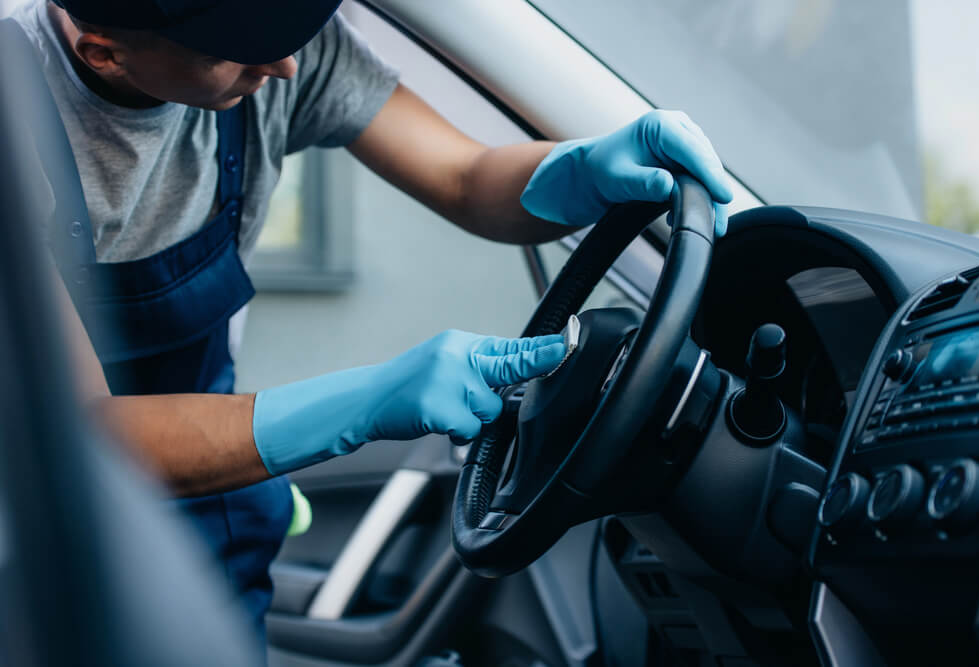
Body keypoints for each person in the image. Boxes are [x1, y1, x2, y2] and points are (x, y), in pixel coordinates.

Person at [8, 0, 734, 650]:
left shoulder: (266, 60)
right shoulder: (16, 124)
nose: (286, 63)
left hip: (220, 505)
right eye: (238, 50)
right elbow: (86, 433)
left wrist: (577, 170)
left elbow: (463, 176)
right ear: (102, 50)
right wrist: (363, 402)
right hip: (62, 535)